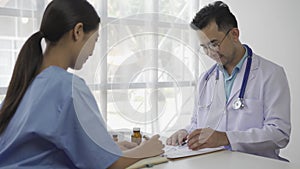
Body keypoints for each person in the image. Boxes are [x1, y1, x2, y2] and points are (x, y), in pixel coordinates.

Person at [0, 0, 164, 168]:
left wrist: (110, 150)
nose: (92, 51)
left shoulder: (23, 86)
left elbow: (46, 151)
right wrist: (147, 149)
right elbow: (110, 165)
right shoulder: (68, 87)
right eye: (95, 39)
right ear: (78, 31)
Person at [166, 1, 291, 161]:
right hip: (215, 162)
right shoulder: (206, 79)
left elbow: (279, 134)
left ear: (234, 34)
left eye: (214, 44)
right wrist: (185, 132)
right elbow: (197, 124)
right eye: (204, 47)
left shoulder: (270, 74)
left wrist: (226, 138)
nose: (210, 53)